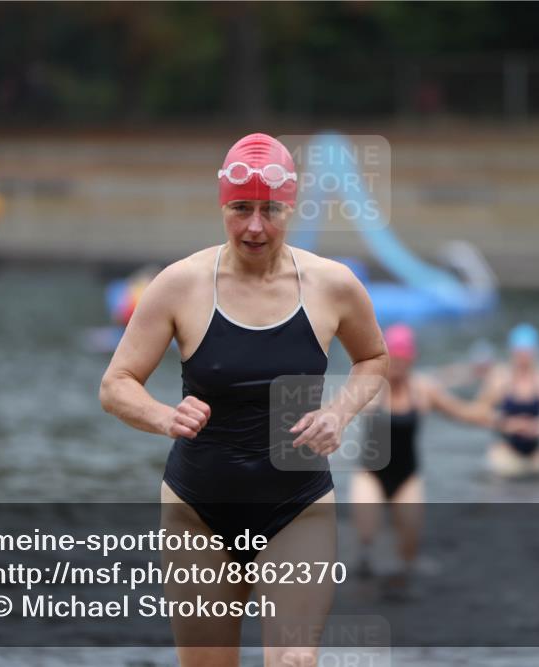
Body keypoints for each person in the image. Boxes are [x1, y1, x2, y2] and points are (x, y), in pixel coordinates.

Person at [99, 133, 388, 667]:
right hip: (197, 512)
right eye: (241, 209)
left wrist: (339, 412)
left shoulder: (333, 285)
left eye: (270, 210)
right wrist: (164, 416)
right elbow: (115, 385)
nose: (255, 226)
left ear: (290, 207)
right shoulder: (180, 284)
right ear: (222, 207)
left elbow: (374, 359)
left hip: (297, 507)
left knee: (294, 661)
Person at [349, 324, 488, 584]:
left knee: (409, 551)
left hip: (407, 477)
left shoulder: (423, 390)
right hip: (371, 474)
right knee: (367, 535)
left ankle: (400, 587)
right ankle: (365, 575)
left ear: (412, 360)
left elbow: (463, 412)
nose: (398, 367)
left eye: (403, 361)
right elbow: (338, 409)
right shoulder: (372, 388)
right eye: (393, 360)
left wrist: (498, 418)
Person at [471, 323, 539, 477]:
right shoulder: (499, 378)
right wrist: (509, 424)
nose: (523, 357)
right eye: (520, 352)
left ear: (536, 352)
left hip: (536, 457)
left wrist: (538, 427)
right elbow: (478, 413)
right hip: (505, 455)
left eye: (527, 352)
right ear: (512, 352)